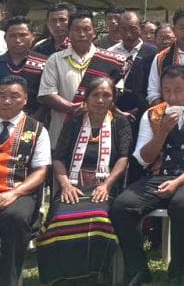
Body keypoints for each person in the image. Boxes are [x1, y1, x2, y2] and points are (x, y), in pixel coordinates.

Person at [111, 64, 184, 286]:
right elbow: (143, 158)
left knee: (183, 205)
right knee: (121, 207)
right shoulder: (152, 114)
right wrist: (162, 132)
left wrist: (177, 182)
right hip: (159, 175)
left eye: (178, 90)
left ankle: (176, 270)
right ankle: (139, 269)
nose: (172, 96)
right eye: (167, 90)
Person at [36, 77, 132, 284]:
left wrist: (106, 185)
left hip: (104, 186)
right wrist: (65, 185)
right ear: (86, 98)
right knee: (59, 219)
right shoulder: (74, 122)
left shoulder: (119, 123)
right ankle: (61, 278)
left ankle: (95, 275)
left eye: (106, 95)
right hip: (72, 185)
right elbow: (58, 157)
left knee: (99, 219)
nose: (100, 100)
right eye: (95, 95)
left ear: (113, 99)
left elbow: (124, 158)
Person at [39, 10, 126, 145]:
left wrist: (93, 106)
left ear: (94, 32)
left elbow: (117, 93)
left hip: (100, 136)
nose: (82, 34)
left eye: (86, 29)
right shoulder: (55, 59)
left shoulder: (111, 60)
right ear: (68, 33)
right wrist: (71, 107)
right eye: (76, 30)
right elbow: (47, 94)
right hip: (62, 132)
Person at [0, 75, 50, 284]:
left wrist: (14, 194)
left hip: (19, 192)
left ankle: (9, 280)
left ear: (25, 99)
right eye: (2, 95)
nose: (6, 101)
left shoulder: (37, 130)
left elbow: (41, 171)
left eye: (14, 96)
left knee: (15, 218)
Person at [109, 10, 158, 129]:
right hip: (114, 114)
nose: (128, 34)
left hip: (144, 114)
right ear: (118, 29)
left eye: (133, 29)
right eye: (123, 29)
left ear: (140, 28)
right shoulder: (110, 53)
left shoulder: (153, 53)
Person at [0, 17, 48, 119]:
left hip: (35, 120)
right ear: (5, 38)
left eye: (23, 35)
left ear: (33, 36)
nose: (17, 40)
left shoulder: (45, 63)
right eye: (12, 36)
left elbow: (48, 96)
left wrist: (32, 121)